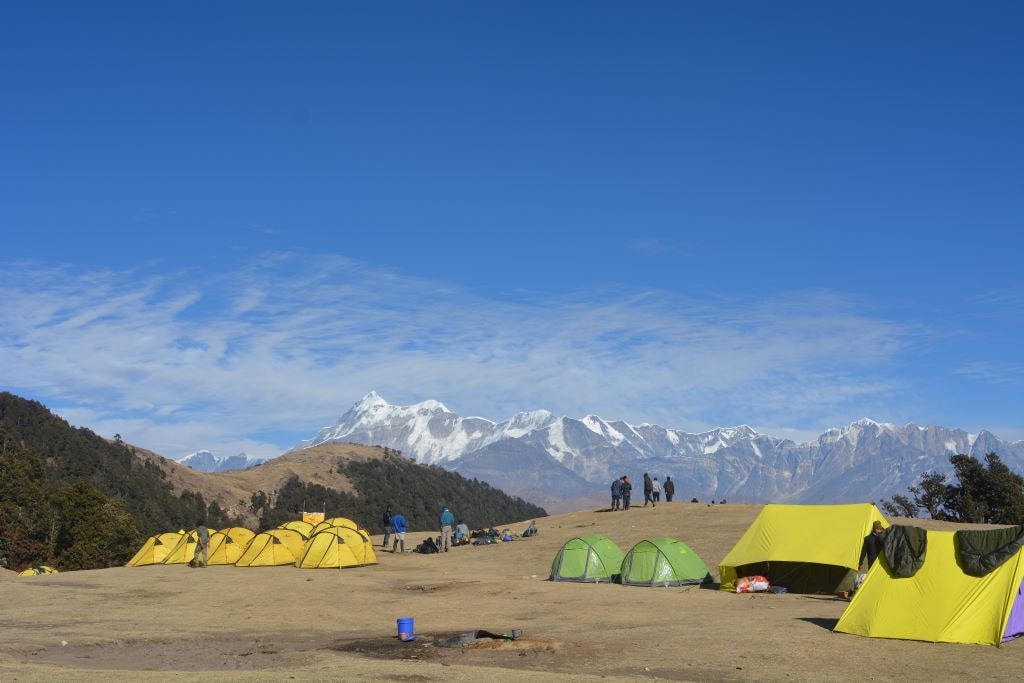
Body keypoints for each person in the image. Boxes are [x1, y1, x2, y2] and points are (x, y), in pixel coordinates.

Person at [846, 520, 885, 599]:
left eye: (880, 529)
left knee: (879, 579)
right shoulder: (868, 539)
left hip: (881, 563)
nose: (879, 530)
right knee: (868, 580)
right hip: (871, 562)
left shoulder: (883, 538)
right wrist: (860, 563)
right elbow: (863, 552)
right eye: (878, 529)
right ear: (874, 529)